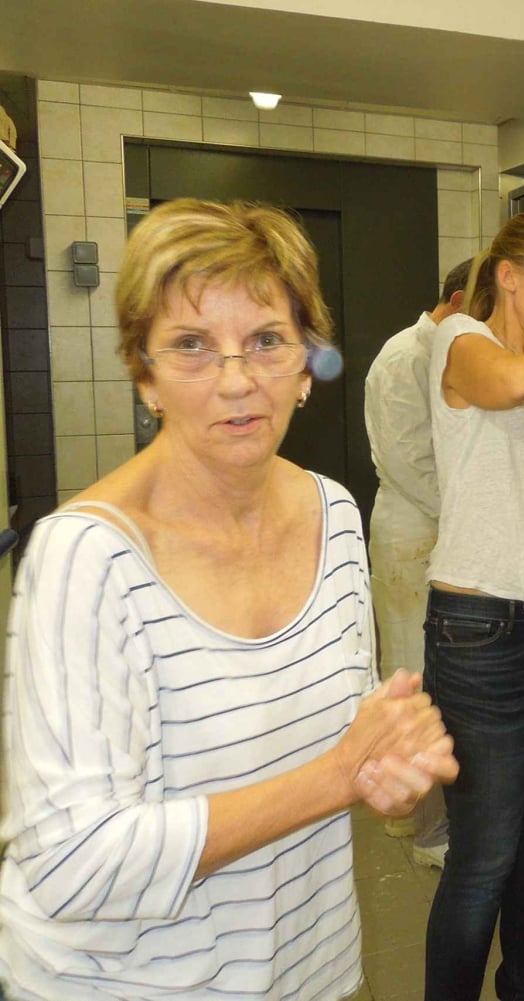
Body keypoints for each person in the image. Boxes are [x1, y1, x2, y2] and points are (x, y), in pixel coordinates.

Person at [0, 198, 458, 1001]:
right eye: (191, 346)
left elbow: (349, 737)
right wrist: (339, 774)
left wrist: (394, 764)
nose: (238, 380)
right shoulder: (89, 558)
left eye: (266, 341)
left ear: (308, 363)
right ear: (144, 375)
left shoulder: (335, 515)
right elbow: (72, 865)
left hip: (303, 967)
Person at [422, 213, 524, 1001]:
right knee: (485, 853)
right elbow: (499, 385)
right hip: (479, 630)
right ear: (508, 276)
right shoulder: (460, 340)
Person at [364, 255, 472, 865]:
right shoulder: (405, 357)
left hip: (436, 527)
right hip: (413, 532)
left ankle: (415, 815)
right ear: (458, 302)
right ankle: (426, 830)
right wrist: (475, 519)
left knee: (434, 676)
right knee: (413, 673)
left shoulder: (442, 354)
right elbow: (410, 462)